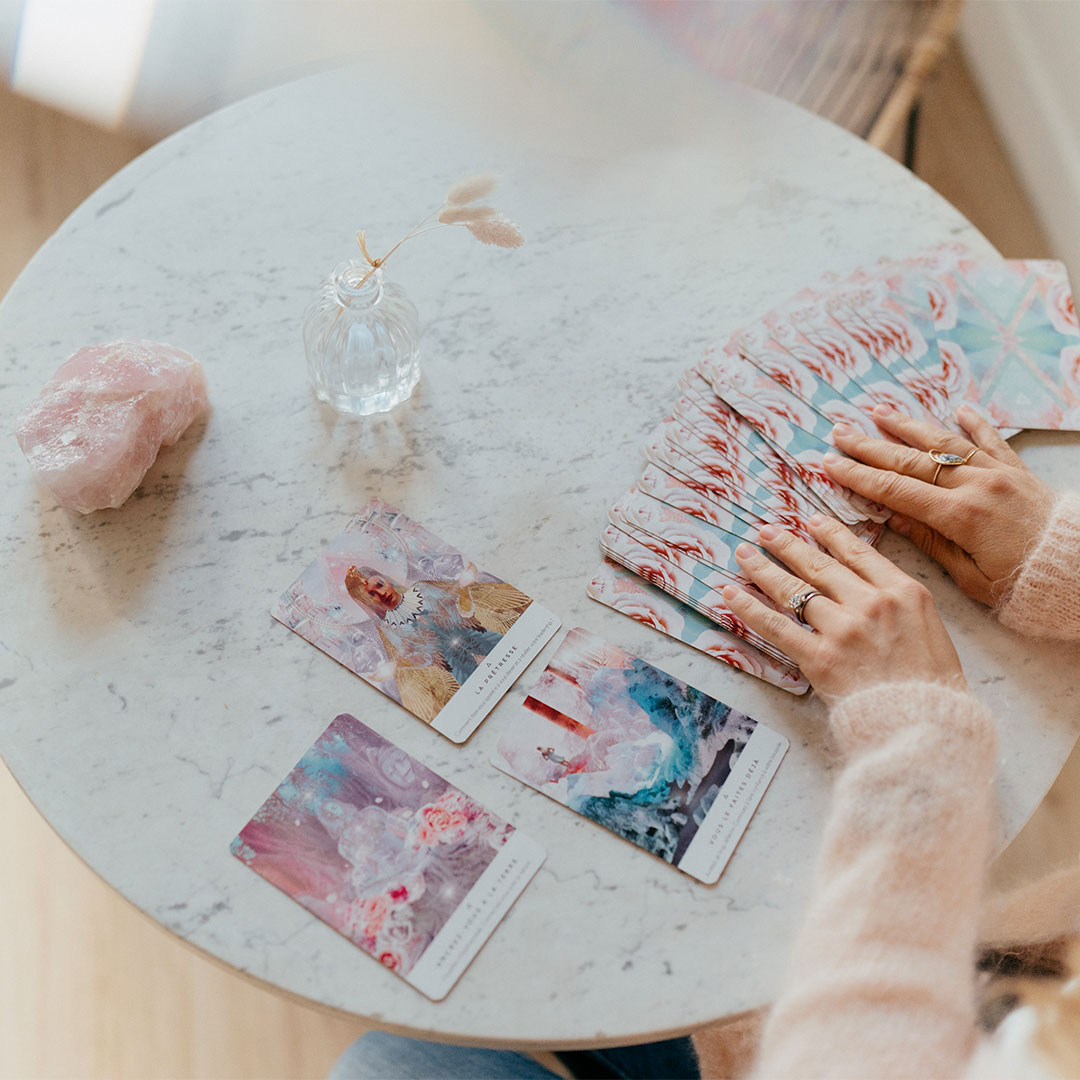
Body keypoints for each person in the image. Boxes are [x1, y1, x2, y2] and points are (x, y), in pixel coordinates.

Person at [331, 402, 1080, 1079]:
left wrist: (919, 743)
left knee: (382, 1064)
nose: (376, 590)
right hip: (987, 962)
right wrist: (1066, 571)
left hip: (833, 1011)